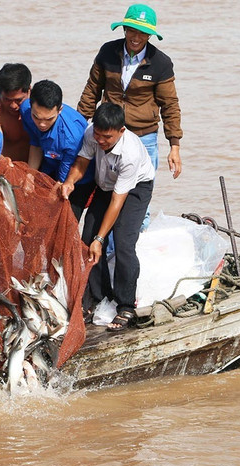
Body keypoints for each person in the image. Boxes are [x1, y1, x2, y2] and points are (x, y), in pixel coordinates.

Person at [60, 103, 154, 332]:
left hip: (134, 190)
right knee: (86, 239)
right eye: (98, 136)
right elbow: (82, 162)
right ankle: (98, 296)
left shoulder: (130, 153)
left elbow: (117, 202)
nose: (101, 141)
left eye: (107, 138)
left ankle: (125, 305)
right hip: (105, 185)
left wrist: (101, 239)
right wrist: (70, 181)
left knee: (123, 242)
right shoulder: (92, 132)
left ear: (121, 131)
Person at [77, 3, 182, 179]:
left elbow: (170, 105)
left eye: (143, 33)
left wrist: (174, 146)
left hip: (144, 136)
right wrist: (80, 123)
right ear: (124, 29)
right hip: (108, 132)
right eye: (132, 30)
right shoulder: (107, 52)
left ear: (150, 35)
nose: (136, 37)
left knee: (141, 188)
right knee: (105, 186)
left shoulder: (161, 63)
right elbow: (92, 89)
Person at [20, 79, 95, 220]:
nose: (41, 124)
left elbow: (64, 176)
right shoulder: (25, 110)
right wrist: (30, 175)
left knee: (65, 219)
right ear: (30, 105)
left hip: (76, 174)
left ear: (59, 110)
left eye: (48, 119)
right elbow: (35, 142)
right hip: (49, 164)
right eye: (36, 117)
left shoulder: (74, 135)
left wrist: (54, 193)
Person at [0, 63, 32, 162]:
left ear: (29, 90)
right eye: (7, 100)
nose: (13, 106)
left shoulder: (40, 107)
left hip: (36, 169)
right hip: (6, 168)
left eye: (18, 100)